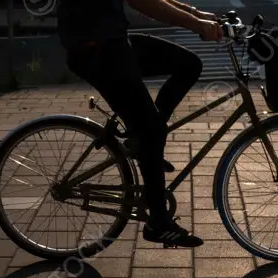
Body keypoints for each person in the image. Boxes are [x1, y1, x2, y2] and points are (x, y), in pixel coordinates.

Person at [58, 0, 223, 248]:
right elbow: (146, 3)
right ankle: (158, 223)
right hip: (97, 52)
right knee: (153, 131)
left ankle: (145, 140)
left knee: (188, 65)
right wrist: (196, 23)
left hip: (115, 44)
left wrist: (195, 12)